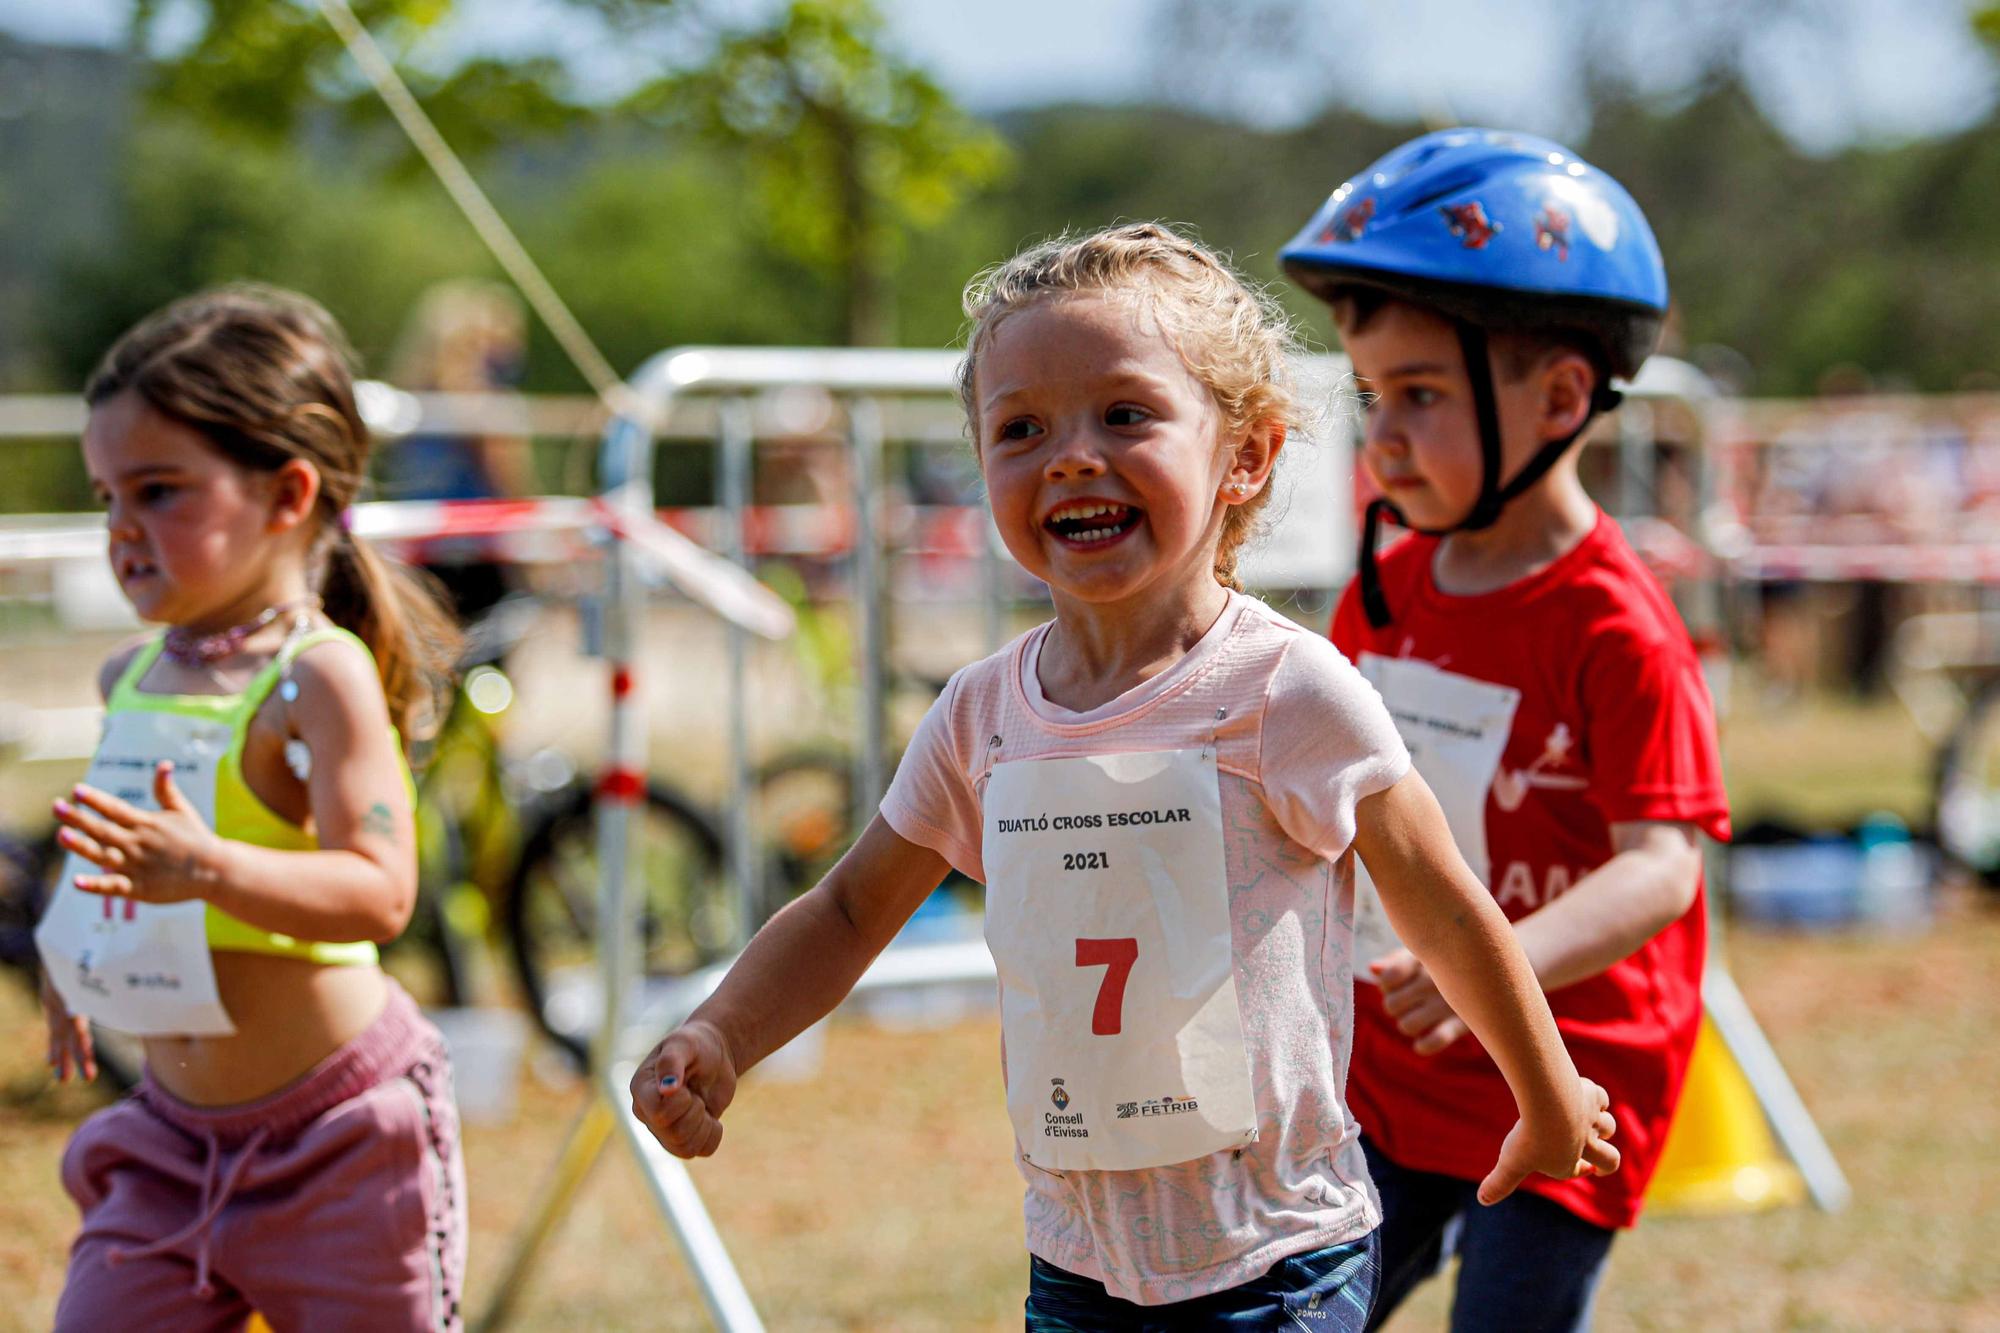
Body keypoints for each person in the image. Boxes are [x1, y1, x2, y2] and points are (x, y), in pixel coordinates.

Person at [629, 223, 1620, 1327]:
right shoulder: (979, 717)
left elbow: (1438, 900)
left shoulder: (1286, 690)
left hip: (1275, 1258)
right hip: (1077, 1265)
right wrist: (721, 1031)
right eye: (1019, 428)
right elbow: (852, 906)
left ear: (1245, 455)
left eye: (1124, 414)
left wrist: (1544, 1094)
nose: (1069, 455)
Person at [1280, 129, 1732, 1330]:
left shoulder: (1615, 626)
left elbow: (1661, 867)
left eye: (1419, 396)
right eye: (1371, 396)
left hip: (1566, 1076)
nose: (1379, 434)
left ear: (1561, 399)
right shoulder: (1381, 587)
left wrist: (1496, 965)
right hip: (1393, 1073)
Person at [34, 285, 468, 1330]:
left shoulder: (318, 678)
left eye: (160, 492)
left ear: (287, 494)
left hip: (341, 1144)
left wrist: (208, 868)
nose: (123, 531)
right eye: (107, 499)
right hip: (168, 1141)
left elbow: (379, 892)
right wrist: (70, 951)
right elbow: (120, 848)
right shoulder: (127, 676)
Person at [385, 279, 534, 621]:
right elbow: (507, 484)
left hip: (416, 551)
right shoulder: (485, 408)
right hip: (477, 556)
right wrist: (532, 558)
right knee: (486, 661)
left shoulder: (408, 402)